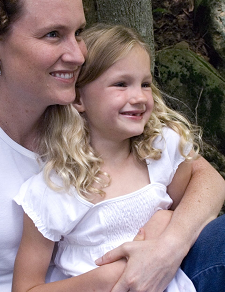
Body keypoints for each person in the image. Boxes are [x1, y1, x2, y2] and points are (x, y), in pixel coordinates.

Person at [0, 0, 224, 292]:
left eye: (78, 32)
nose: (78, 54)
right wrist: (118, 273)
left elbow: (205, 180)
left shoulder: (85, 104)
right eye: (53, 34)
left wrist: (165, 245)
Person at [11, 23, 211, 292]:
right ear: (79, 98)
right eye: (121, 84)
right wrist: (105, 279)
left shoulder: (160, 151)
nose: (139, 97)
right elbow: (24, 288)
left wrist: (163, 223)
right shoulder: (55, 189)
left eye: (145, 84)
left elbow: (195, 199)